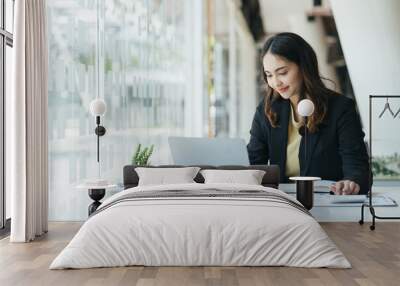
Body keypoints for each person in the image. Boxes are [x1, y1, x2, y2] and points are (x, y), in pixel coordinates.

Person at [247, 32, 370, 195]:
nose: (275, 82)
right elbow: (254, 163)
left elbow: (357, 165)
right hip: (283, 202)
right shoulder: (268, 109)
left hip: (328, 200)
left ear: (303, 66)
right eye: (269, 75)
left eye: (282, 72)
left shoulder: (340, 108)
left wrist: (351, 182)